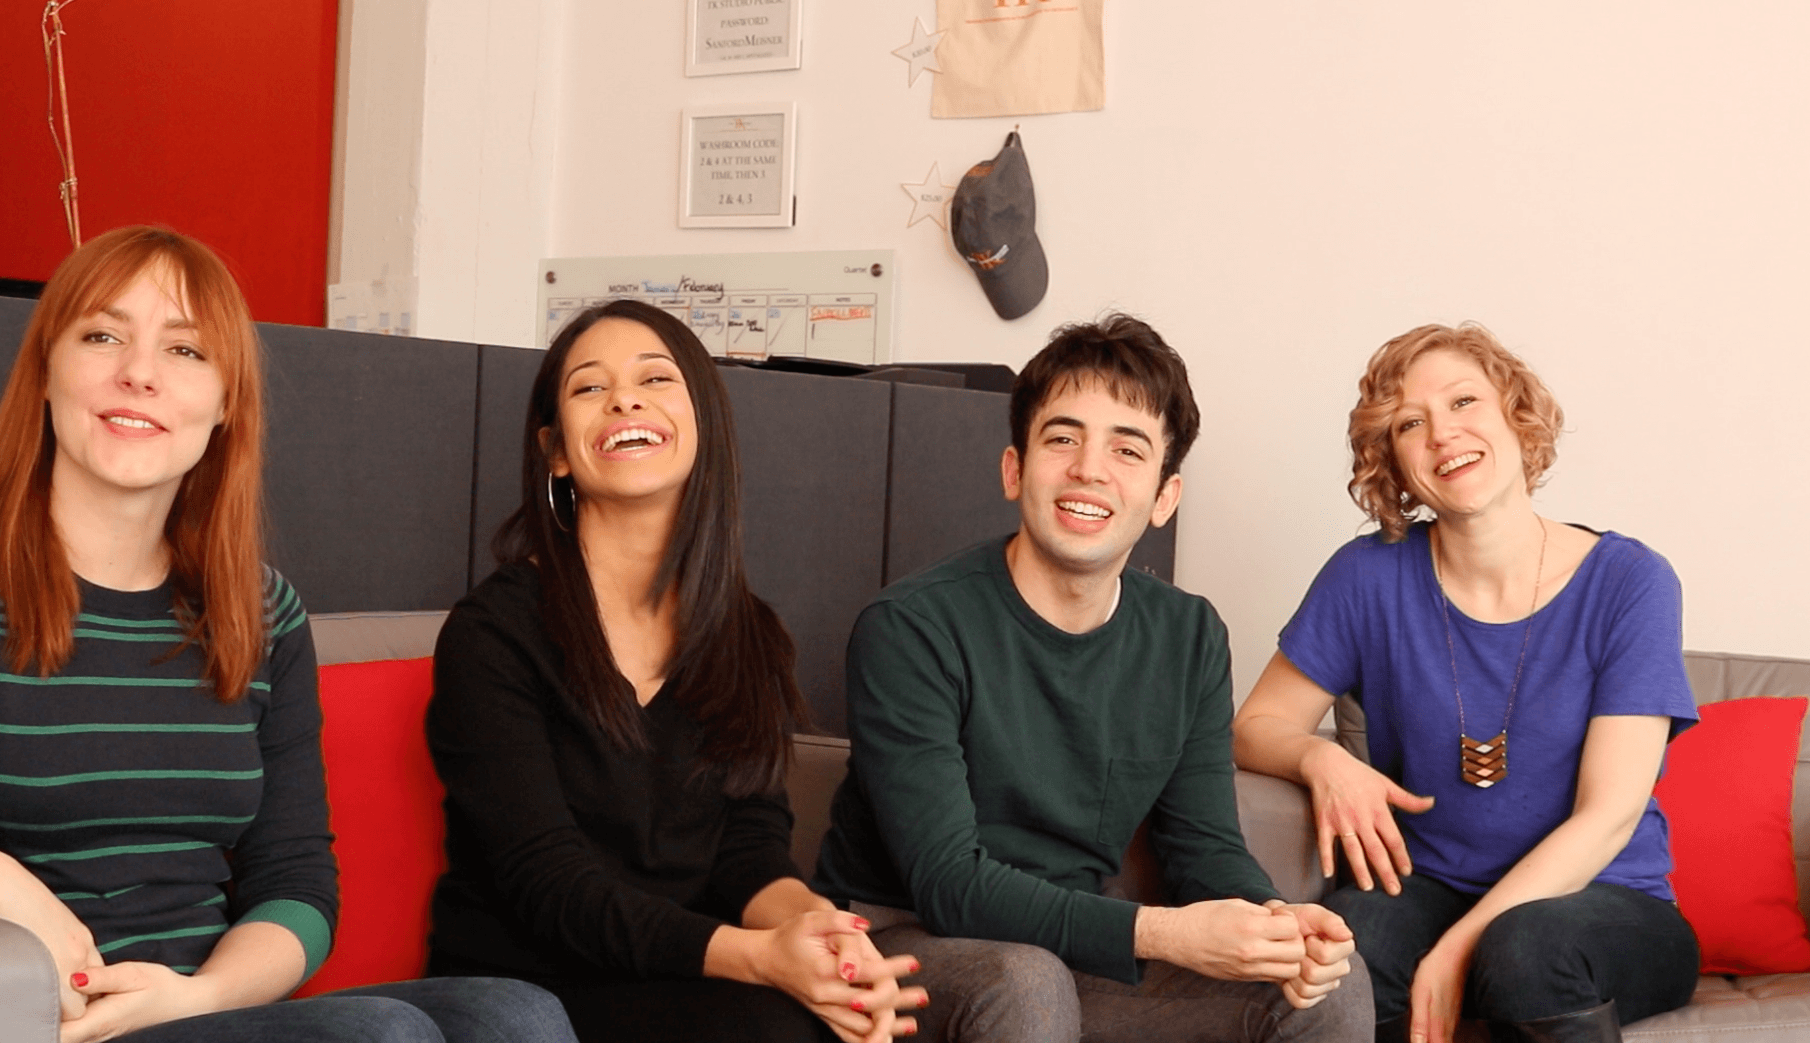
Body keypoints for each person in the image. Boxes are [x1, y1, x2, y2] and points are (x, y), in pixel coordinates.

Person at [0, 226, 575, 1043]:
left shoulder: (257, 613)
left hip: (201, 1012)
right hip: (42, 1018)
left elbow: (295, 883)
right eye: (102, 335)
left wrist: (202, 993)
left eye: (185, 352)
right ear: (45, 370)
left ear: (225, 404)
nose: (138, 372)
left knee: (518, 1013)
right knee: (379, 1036)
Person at [810, 314, 1369, 1043]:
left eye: (1126, 449)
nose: (1089, 468)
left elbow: (1204, 848)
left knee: (1327, 991)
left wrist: (1272, 923)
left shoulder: (1189, 636)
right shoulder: (912, 627)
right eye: (1063, 438)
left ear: (1165, 496)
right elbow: (948, 884)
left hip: (1076, 945)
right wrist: (1164, 934)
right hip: (904, 941)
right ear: (1015, 469)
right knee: (1027, 982)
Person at [425, 299, 927, 1043]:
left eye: (656, 378)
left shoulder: (747, 633)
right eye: (589, 387)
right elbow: (548, 883)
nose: (625, 397)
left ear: (703, 423)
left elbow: (748, 852)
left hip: (679, 972)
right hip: (524, 980)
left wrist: (827, 941)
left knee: (848, 1016)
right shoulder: (493, 631)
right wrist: (758, 957)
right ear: (556, 450)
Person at [1232, 323, 1699, 1043]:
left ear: (1517, 415)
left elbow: (1607, 815)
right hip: (1430, 884)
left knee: (1521, 950)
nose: (1443, 434)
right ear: (1393, 459)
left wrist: (1461, 945)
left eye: (1464, 402)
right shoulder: (1367, 576)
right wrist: (1321, 758)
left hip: (1607, 901)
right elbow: (1254, 725)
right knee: (1343, 947)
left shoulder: (1630, 581)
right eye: (1411, 423)